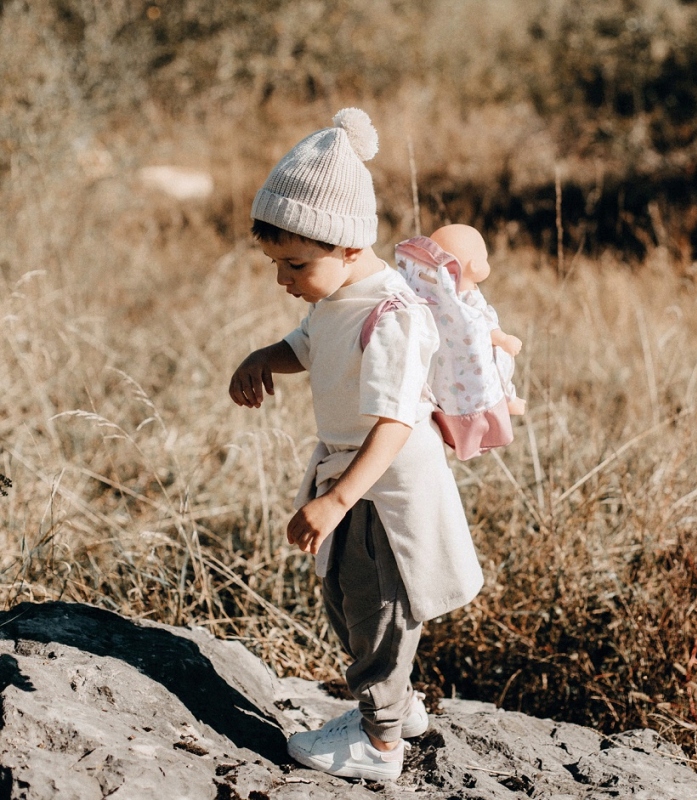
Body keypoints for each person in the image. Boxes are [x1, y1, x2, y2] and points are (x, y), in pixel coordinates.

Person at [228, 108, 484, 782]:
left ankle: (380, 744)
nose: (283, 279)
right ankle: (401, 707)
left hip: (382, 491)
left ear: (345, 245)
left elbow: (397, 422)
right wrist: (263, 356)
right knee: (345, 602)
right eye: (277, 263)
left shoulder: (391, 313)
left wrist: (339, 499)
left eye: (294, 264)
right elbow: (307, 345)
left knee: (377, 611)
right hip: (350, 483)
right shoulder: (339, 296)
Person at [429, 224, 526, 415]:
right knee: (500, 357)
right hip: (475, 360)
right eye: (486, 258)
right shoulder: (468, 302)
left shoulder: (442, 299)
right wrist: (503, 340)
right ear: (474, 264)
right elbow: (481, 327)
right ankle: (507, 397)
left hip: (453, 365)